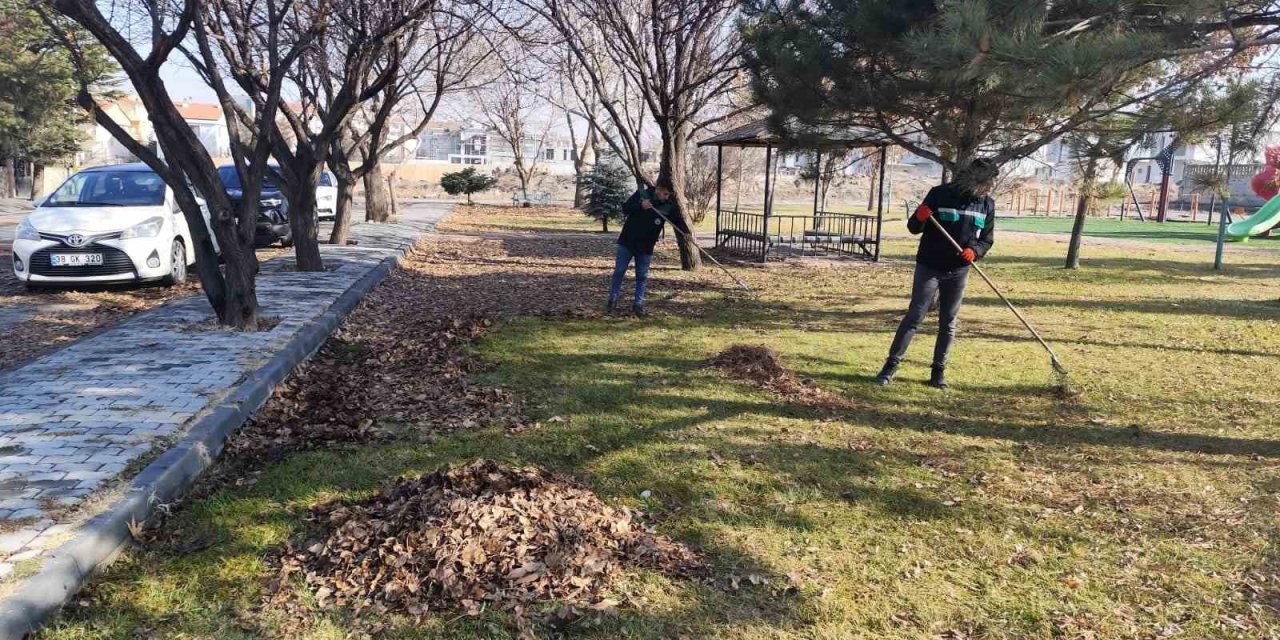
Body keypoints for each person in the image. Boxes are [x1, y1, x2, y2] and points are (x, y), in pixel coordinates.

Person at [876, 159, 998, 389]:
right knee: (915, 316)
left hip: (958, 269)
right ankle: (890, 367)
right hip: (929, 265)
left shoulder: (986, 204)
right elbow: (913, 227)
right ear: (971, 177)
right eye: (985, 181)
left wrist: (975, 250)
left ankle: (938, 373)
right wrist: (921, 217)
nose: (988, 186)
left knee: (948, 322)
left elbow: (987, 239)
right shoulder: (939, 194)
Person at [607, 177, 686, 316]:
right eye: (665, 194)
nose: (667, 197)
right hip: (627, 241)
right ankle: (612, 300)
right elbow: (625, 208)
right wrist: (640, 206)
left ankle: (638, 304)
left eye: (669, 194)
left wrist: (686, 233)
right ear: (658, 189)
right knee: (619, 271)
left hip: (646, 245)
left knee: (642, 276)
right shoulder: (641, 194)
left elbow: (678, 221)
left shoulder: (668, 205)